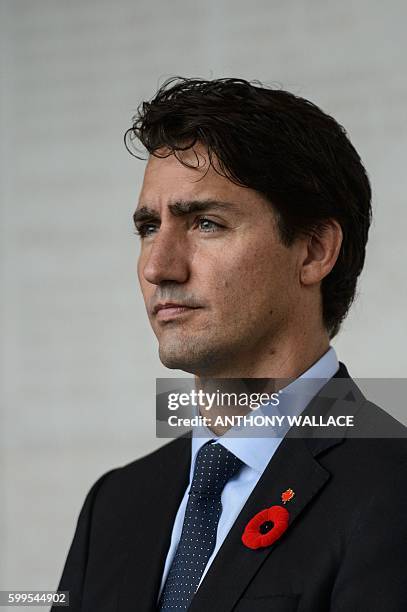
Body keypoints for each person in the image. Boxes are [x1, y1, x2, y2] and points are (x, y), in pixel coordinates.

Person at [53, 78, 407, 612]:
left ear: (313, 250)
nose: (158, 267)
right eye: (149, 228)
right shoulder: (115, 505)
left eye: (207, 223)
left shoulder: (395, 488)